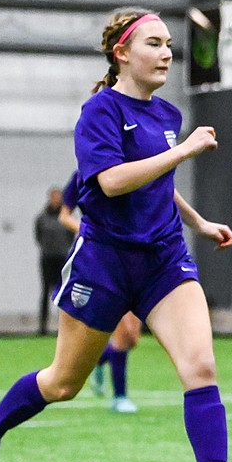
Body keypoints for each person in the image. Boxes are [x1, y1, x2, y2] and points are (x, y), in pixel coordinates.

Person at [0, 7, 232, 462]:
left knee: (201, 368)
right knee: (63, 383)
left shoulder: (167, 116)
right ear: (121, 53)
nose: (167, 52)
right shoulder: (99, 112)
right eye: (153, 43)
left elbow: (157, 186)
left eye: (169, 43)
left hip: (165, 260)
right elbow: (109, 182)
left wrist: (198, 221)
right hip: (103, 263)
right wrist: (187, 151)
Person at [59, 170, 140, 413]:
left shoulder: (137, 168)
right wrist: (88, 230)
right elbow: (64, 215)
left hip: (137, 257)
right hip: (103, 259)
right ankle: (120, 396)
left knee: (131, 338)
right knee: (122, 330)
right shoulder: (84, 174)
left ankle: (98, 359)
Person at [34, 187, 76, 335]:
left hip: (63, 258)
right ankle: (43, 326)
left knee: (64, 293)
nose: (56, 200)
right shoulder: (42, 218)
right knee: (46, 291)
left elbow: (71, 236)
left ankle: (64, 328)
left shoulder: (66, 217)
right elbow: (38, 237)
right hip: (47, 258)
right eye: (54, 197)